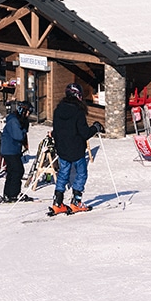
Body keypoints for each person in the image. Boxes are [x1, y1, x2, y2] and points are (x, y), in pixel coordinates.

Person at [51, 83, 104, 213]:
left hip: (62, 149)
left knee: (63, 174)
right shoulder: (78, 111)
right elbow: (84, 133)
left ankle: (58, 202)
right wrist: (95, 128)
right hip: (76, 149)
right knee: (81, 173)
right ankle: (76, 201)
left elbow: (56, 131)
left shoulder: (58, 110)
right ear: (78, 96)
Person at [0, 103, 31, 202]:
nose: (28, 115)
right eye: (28, 112)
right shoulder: (13, 121)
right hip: (10, 150)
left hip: (12, 150)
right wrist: (24, 129)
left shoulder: (16, 120)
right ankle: (13, 194)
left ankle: (8, 193)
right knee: (18, 170)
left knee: (13, 171)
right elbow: (18, 136)